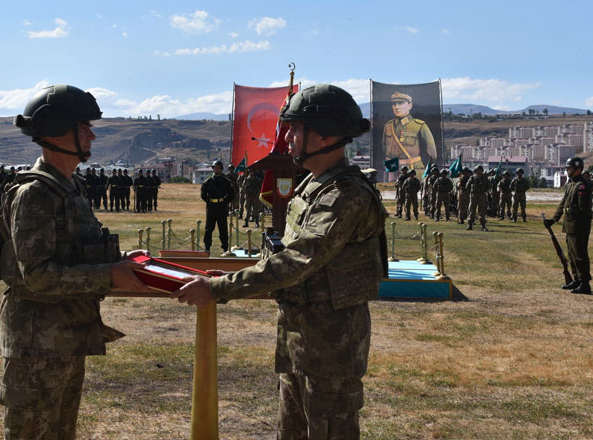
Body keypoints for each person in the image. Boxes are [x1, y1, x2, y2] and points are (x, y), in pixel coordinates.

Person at [173, 84, 385, 440]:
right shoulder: (315, 186)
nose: (287, 137)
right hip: (299, 335)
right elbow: (283, 254)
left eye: (296, 128)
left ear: (323, 136)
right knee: (291, 430)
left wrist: (216, 288)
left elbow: (295, 262)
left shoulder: (344, 196)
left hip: (330, 345)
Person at [0, 84, 151, 439]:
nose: (92, 135)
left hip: (65, 335)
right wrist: (109, 275)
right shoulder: (35, 194)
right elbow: (37, 276)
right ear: (57, 132)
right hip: (37, 342)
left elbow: (75, 252)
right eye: (84, 128)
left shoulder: (69, 187)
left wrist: (119, 261)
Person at [544, 157, 593, 294]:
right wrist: (553, 220)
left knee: (580, 254)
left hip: (579, 225)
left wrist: (583, 224)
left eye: (569, 168)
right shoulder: (571, 184)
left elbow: (585, 209)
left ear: (578, 169)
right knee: (571, 254)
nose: (567, 170)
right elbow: (563, 203)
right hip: (570, 224)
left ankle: (585, 283)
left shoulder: (582, 185)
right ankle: (576, 279)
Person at [383, 92, 436, 172]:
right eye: (394, 104)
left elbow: (432, 153)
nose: (396, 107)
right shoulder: (388, 126)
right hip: (392, 168)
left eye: (400, 103)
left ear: (410, 105)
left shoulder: (420, 126)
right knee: (391, 185)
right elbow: (384, 148)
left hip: (413, 169)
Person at [200, 160, 234, 254]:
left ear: (221, 169)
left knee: (223, 229)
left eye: (218, 168)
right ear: (213, 169)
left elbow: (232, 194)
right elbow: (203, 195)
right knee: (208, 229)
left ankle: (225, 248)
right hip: (211, 208)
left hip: (221, 207)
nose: (217, 169)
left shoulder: (226, 182)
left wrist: (224, 202)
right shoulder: (208, 182)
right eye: (215, 168)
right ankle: (207, 247)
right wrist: (209, 202)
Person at [465, 165, 489, 231]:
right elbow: (467, 186)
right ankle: (470, 224)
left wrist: (484, 191)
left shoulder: (485, 178)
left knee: (482, 210)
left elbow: (488, 186)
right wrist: (472, 191)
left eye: (480, 170)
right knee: (471, 210)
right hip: (474, 196)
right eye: (478, 170)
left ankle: (483, 225)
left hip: (481, 195)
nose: (479, 171)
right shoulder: (472, 178)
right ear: (476, 171)